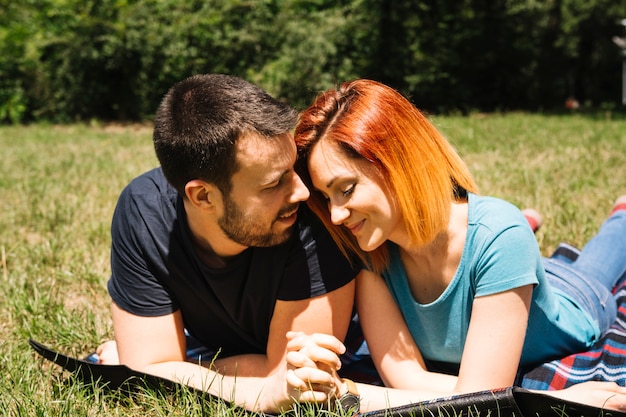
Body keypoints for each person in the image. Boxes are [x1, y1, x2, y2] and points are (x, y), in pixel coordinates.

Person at [286, 78, 626, 412]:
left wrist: (346, 393)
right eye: (326, 197)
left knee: (596, 262)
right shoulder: (368, 254)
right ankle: (528, 223)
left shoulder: (500, 235)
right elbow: (405, 376)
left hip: (576, 300)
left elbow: (480, 398)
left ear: (397, 161)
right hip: (498, 252)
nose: (335, 216)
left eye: (345, 189)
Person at [97, 73, 362, 413]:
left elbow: (292, 378)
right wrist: (150, 368)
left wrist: (159, 371)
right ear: (203, 195)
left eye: (292, 165)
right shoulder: (144, 212)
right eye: (273, 183)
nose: (302, 190)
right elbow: (273, 382)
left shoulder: (313, 213)